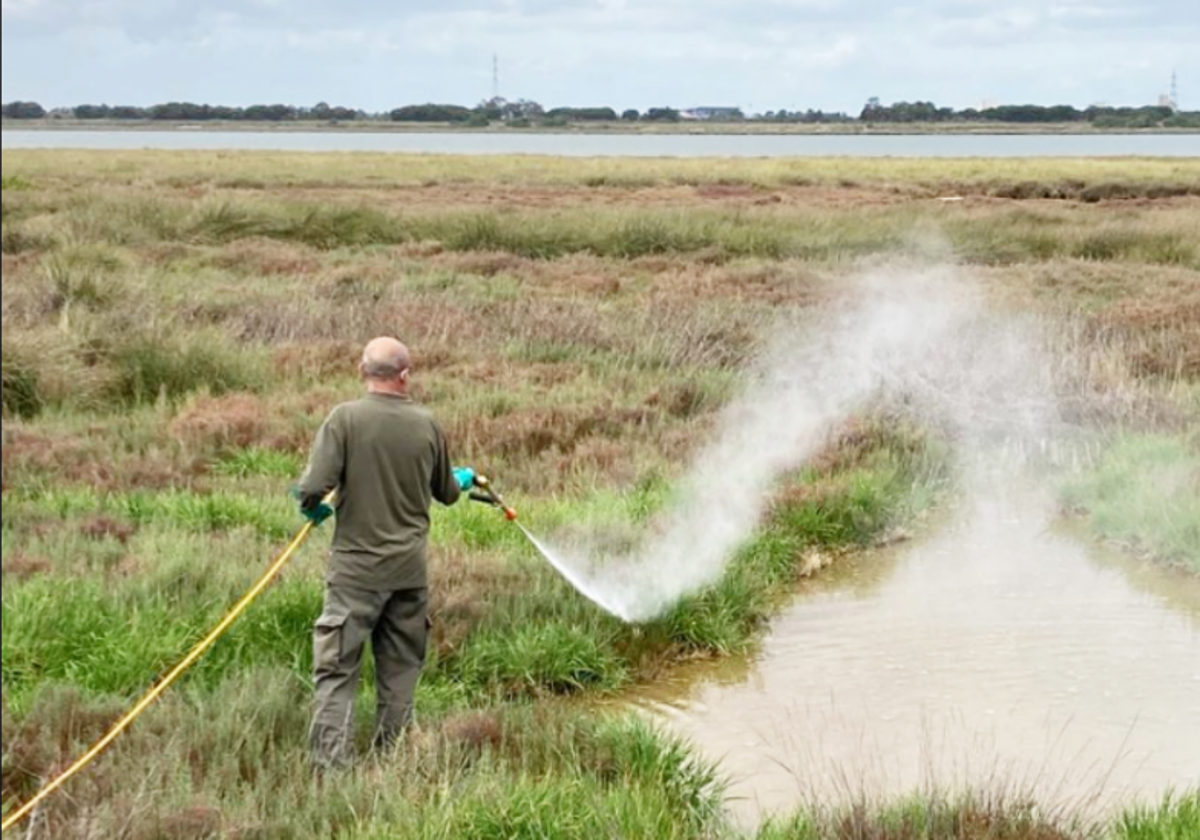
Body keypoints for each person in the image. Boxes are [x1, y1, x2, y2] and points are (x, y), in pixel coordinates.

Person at [295, 336, 474, 768]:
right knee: (400, 675)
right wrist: (461, 478)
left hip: (354, 576)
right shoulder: (427, 424)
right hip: (408, 576)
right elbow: (447, 494)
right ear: (405, 375)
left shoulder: (344, 420)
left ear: (362, 370)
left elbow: (311, 486)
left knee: (337, 674)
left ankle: (331, 771)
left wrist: (312, 506)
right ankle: (392, 763)